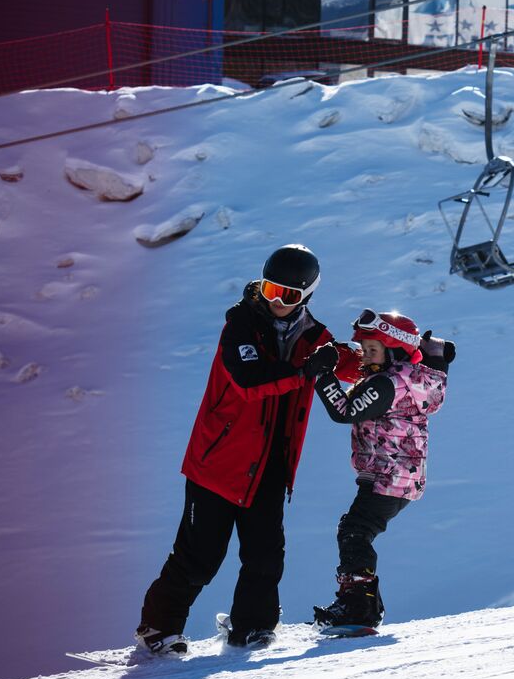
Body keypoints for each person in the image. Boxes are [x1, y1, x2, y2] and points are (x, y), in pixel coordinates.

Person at [136, 244, 340, 653]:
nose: (276, 301)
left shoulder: (315, 338)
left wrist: (408, 358)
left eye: (288, 295)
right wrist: (304, 371)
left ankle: (253, 627)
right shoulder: (241, 325)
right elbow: (249, 380)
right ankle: (158, 628)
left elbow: (351, 361)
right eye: (269, 289)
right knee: (200, 556)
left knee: (265, 556)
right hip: (219, 461)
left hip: (271, 465)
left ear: (307, 296)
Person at [311, 309, 453, 630]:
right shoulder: (409, 378)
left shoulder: (388, 385)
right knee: (354, 530)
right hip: (396, 477)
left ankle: (359, 608)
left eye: (373, 350)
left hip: (389, 477)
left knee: (354, 532)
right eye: (364, 349)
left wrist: (322, 375)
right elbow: (433, 367)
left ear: (394, 352)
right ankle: (358, 603)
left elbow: (345, 411)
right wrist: (437, 353)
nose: (365, 356)